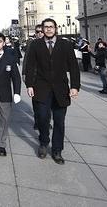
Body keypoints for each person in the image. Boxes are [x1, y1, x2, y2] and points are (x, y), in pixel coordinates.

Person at [25, 18, 80, 165]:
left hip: (61, 89)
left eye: (51, 27)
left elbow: (74, 66)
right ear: (42, 29)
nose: (48, 29)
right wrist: (29, 85)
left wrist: (75, 86)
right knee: (42, 117)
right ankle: (44, 142)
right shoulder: (36, 44)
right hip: (41, 88)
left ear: (56, 29)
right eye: (46, 27)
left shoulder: (65, 45)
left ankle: (57, 150)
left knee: (59, 121)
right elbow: (30, 66)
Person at [22, 25, 43, 130]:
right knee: (36, 100)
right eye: (37, 31)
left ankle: (45, 121)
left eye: (41, 31)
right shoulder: (32, 43)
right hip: (34, 77)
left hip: (47, 78)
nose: (39, 33)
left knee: (47, 103)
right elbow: (26, 58)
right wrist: (24, 73)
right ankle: (37, 120)